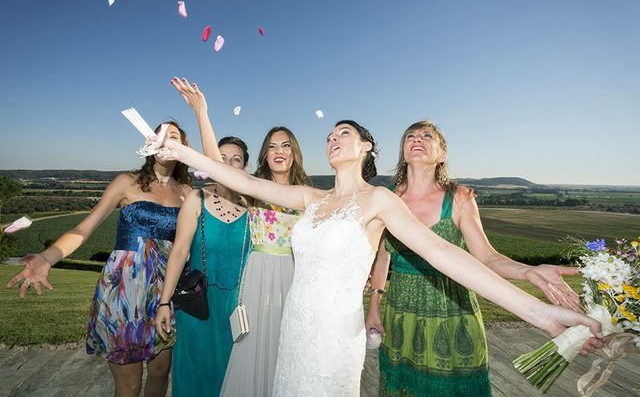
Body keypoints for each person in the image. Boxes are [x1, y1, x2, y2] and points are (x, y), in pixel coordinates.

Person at [155, 119, 603, 397]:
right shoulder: (311, 197)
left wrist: (539, 313)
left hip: (334, 336)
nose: (333, 139)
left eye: (344, 134)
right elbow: (247, 185)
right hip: (295, 327)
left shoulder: (381, 203)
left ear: (366, 147)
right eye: (329, 136)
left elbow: (446, 254)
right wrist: (179, 152)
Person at [366, 120, 598, 397]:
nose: (417, 139)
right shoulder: (386, 198)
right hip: (401, 310)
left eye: (427, 136)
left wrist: (529, 271)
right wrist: (374, 307)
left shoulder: (460, 198)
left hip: (453, 310)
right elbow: (382, 258)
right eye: (410, 136)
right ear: (403, 152)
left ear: (441, 154)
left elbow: (487, 257)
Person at [7, 122, 191, 397]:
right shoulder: (126, 182)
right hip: (123, 290)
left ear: (184, 149)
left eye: (174, 137)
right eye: (162, 135)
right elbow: (84, 229)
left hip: (166, 291)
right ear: (151, 143)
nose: (167, 141)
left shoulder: (186, 192)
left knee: (160, 372)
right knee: (128, 384)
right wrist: (48, 257)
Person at [156, 136, 251, 396]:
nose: (228, 164)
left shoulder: (254, 208)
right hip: (198, 306)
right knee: (194, 375)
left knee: (233, 377)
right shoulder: (197, 199)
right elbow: (179, 252)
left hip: (239, 308)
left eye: (236, 159)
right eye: (221, 159)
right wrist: (164, 302)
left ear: (245, 169)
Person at [220, 126, 309, 397]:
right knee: (255, 342)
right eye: (272, 146)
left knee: (289, 344)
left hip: (295, 275)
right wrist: (201, 111)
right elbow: (217, 166)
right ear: (264, 154)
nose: (279, 151)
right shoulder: (252, 189)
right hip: (259, 273)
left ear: (294, 153)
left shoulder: (306, 194)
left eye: (285, 145)